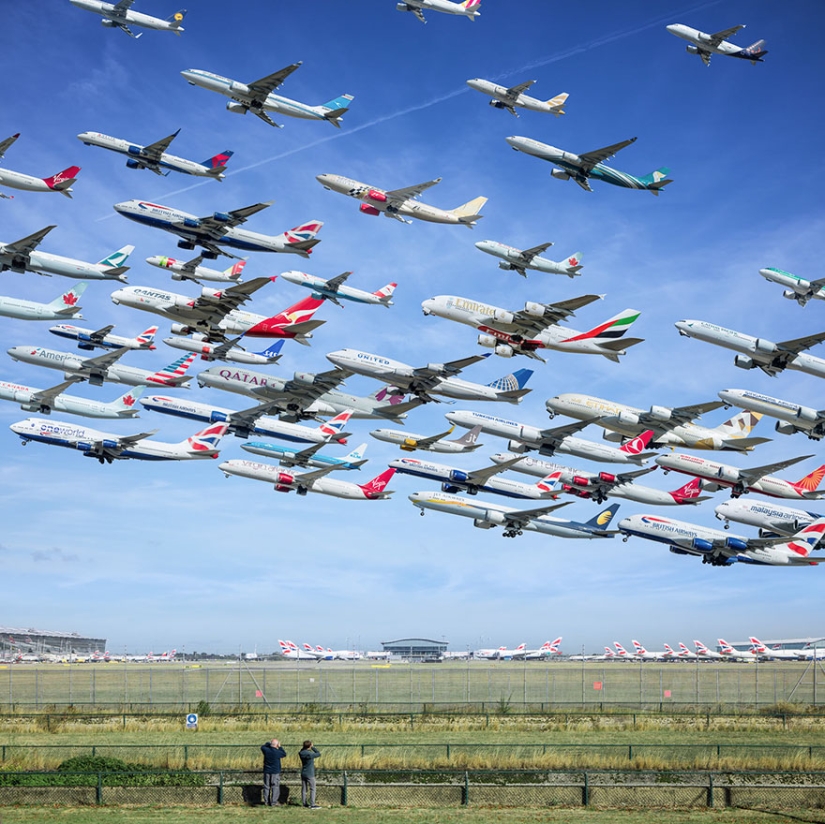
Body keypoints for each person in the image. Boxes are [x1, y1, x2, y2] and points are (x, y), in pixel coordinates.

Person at [261, 738, 287, 806]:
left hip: (267, 771)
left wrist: (269, 744)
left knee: (266, 786)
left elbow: (263, 746)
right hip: (275, 771)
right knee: (275, 786)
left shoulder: (266, 750)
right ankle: (274, 802)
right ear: (277, 745)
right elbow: (284, 754)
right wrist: (280, 747)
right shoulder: (277, 752)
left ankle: (266, 801)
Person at [299, 740, 321, 808]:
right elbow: (318, 753)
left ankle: (304, 803)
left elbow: (302, 750)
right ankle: (312, 804)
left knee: (304, 788)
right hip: (310, 773)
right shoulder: (310, 754)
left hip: (303, 772)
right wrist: (313, 747)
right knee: (313, 788)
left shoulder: (301, 753)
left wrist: (306, 747)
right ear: (309, 746)